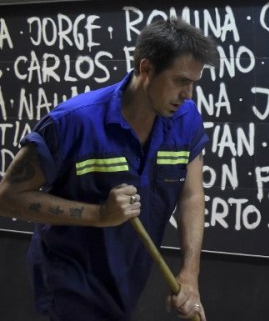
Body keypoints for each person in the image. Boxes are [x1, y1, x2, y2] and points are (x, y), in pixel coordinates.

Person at [0, 17, 216, 321]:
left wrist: (190, 275)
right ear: (146, 69)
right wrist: (99, 215)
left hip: (127, 280)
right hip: (70, 280)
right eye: (180, 81)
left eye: (193, 83)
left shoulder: (186, 119)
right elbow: (7, 196)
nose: (188, 94)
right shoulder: (73, 122)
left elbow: (191, 195)